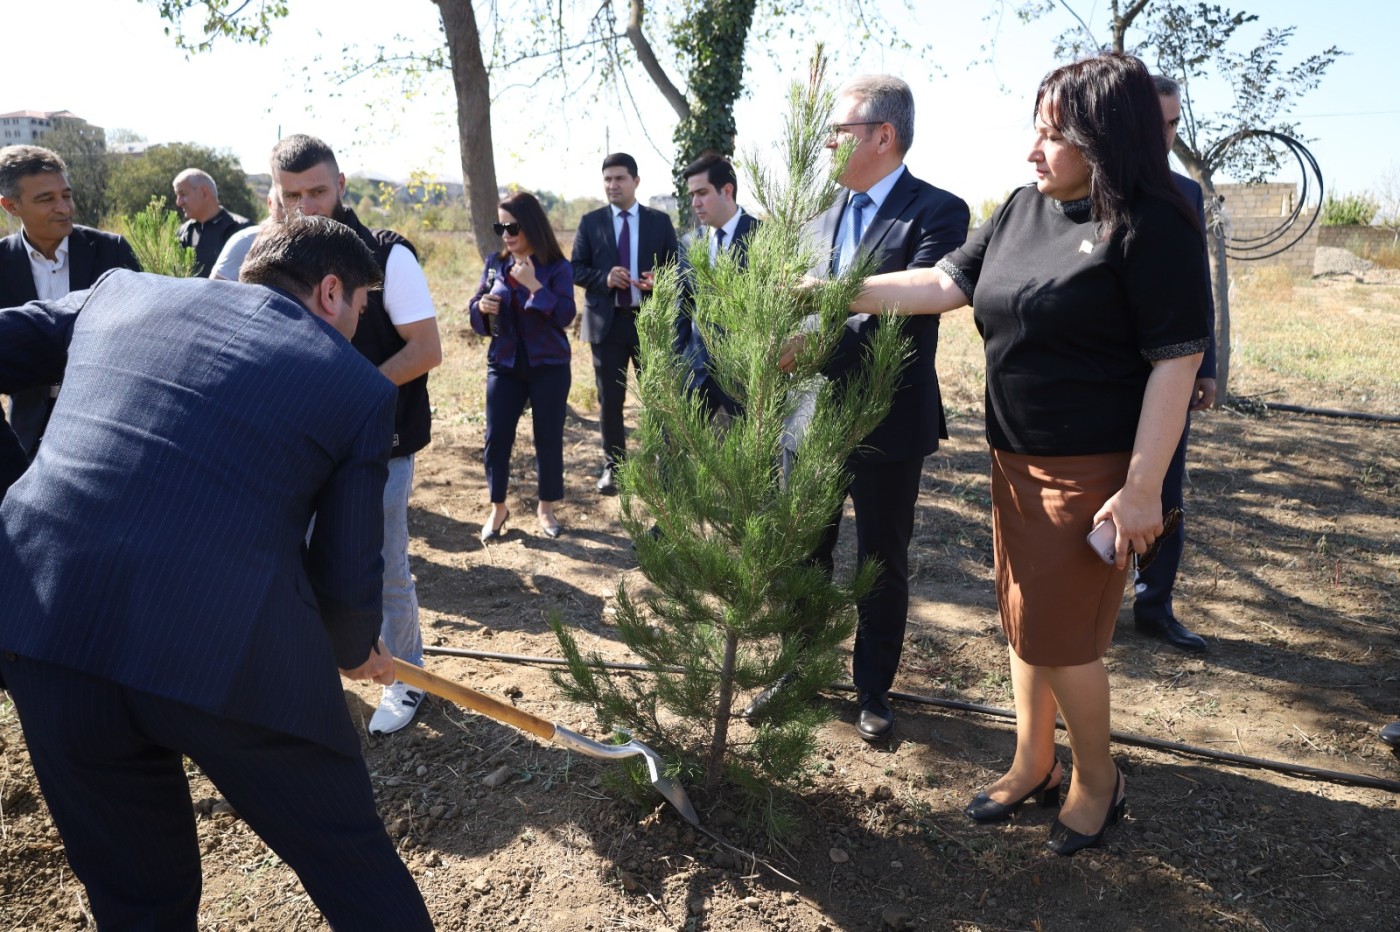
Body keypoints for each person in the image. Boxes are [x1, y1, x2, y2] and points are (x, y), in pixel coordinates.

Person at [0, 215, 433, 929]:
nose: (362, 322)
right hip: (225, 650)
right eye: (363, 305)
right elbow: (347, 571)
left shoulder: (119, 294)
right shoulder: (354, 386)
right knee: (346, 860)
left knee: (139, 899)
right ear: (333, 291)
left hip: (46, 627)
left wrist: (14, 497)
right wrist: (357, 649)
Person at [849, 53, 1209, 855]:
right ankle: (1033, 761)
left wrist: (1144, 487)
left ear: (1104, 139)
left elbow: (1176, 363)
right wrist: (841, 290)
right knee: (1023, 626)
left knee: (1064, 640)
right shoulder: (1020, 208)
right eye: (1035, 131)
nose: (1032, 150)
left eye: (1053, 135)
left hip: (1093, 475)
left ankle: (1097, 781)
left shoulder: (1152, 227)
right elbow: (943, 286)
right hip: (1012, 461)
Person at [758, 75, 970, 742]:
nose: (825, 144)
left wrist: (829, 301)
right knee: (804, 552)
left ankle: (873, 689)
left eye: (838, 131)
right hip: (810, 417)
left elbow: (918, 301)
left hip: (886, 419)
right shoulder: (815, 219)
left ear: (882, 135)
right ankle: (797, 668)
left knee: (880, 559)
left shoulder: (937, 211)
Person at [270, 134, 443, 736]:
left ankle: (407, 675)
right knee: (300, 558)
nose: (306, 205)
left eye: (317, 190)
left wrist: (354, 394)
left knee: (384, 563)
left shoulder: (388, 256)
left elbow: (426, 349)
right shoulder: (272, 258)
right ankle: (317, 670)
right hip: (300, 445)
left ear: (341, 187)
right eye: (291, 194)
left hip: (381, 445)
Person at [1130, 75, 1218, 653]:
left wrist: (1206, 364)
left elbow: (1196, 287)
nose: (1166, 135)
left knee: (1164, 487)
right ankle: (1086, 604)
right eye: (1157, 123)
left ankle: (1154, 603)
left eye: (1174, 124)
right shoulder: (1091, 183)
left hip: (1173, 367)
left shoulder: (1187, 194)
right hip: (1106, 368)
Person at [0, 144, 140, 458]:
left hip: (106, 420)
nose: (64, 208)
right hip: (26, 430)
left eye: (66, 195)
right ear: (11, 206)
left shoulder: (112, 251)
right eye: (46, 199)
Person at [469, 192, 576, 541]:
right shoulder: (494, 263)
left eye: (512, 226)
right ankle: (498, 507)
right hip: (504, 363)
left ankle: (546, 509)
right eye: (501, 226)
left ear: (530, 226)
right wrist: (481, 308)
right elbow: (476, 315)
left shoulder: (557, 267)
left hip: (549, 365)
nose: (506, 233)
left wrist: (534, 286)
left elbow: (564, 315)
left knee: (548, 438)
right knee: (496, 437)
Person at [571, 152, 679, 494]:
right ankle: (614, 468)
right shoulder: (591, 222)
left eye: (619, 178)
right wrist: (604, 278)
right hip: (607, 325)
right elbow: (574, 268)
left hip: (650, 323)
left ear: (636, 181)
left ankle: (663, 465)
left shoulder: (658, 222)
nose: (612, 185)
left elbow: (676, 268)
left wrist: (657, 282)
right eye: (607, 179)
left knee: (658, 397)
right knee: (610, 400)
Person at [676, 153, 761, 418]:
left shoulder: (763, 237)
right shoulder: (690, 243)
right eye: (691, 195)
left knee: (752, 457)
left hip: (745, 374)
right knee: (676, 450)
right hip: (696, 370)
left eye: (701, 192)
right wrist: (675, 360)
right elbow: (683, 305)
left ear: (727, 190)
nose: (695, 203)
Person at [174, 167, 251, 276]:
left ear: (204, 192)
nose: (178, 202)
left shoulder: (242, 230)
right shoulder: (183, 233)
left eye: (182, 194)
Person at [209, 189, 284, 281]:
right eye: (283, 205)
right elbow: (216, 291)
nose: (294, 213)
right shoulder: (245, 241)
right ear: (270, 203)